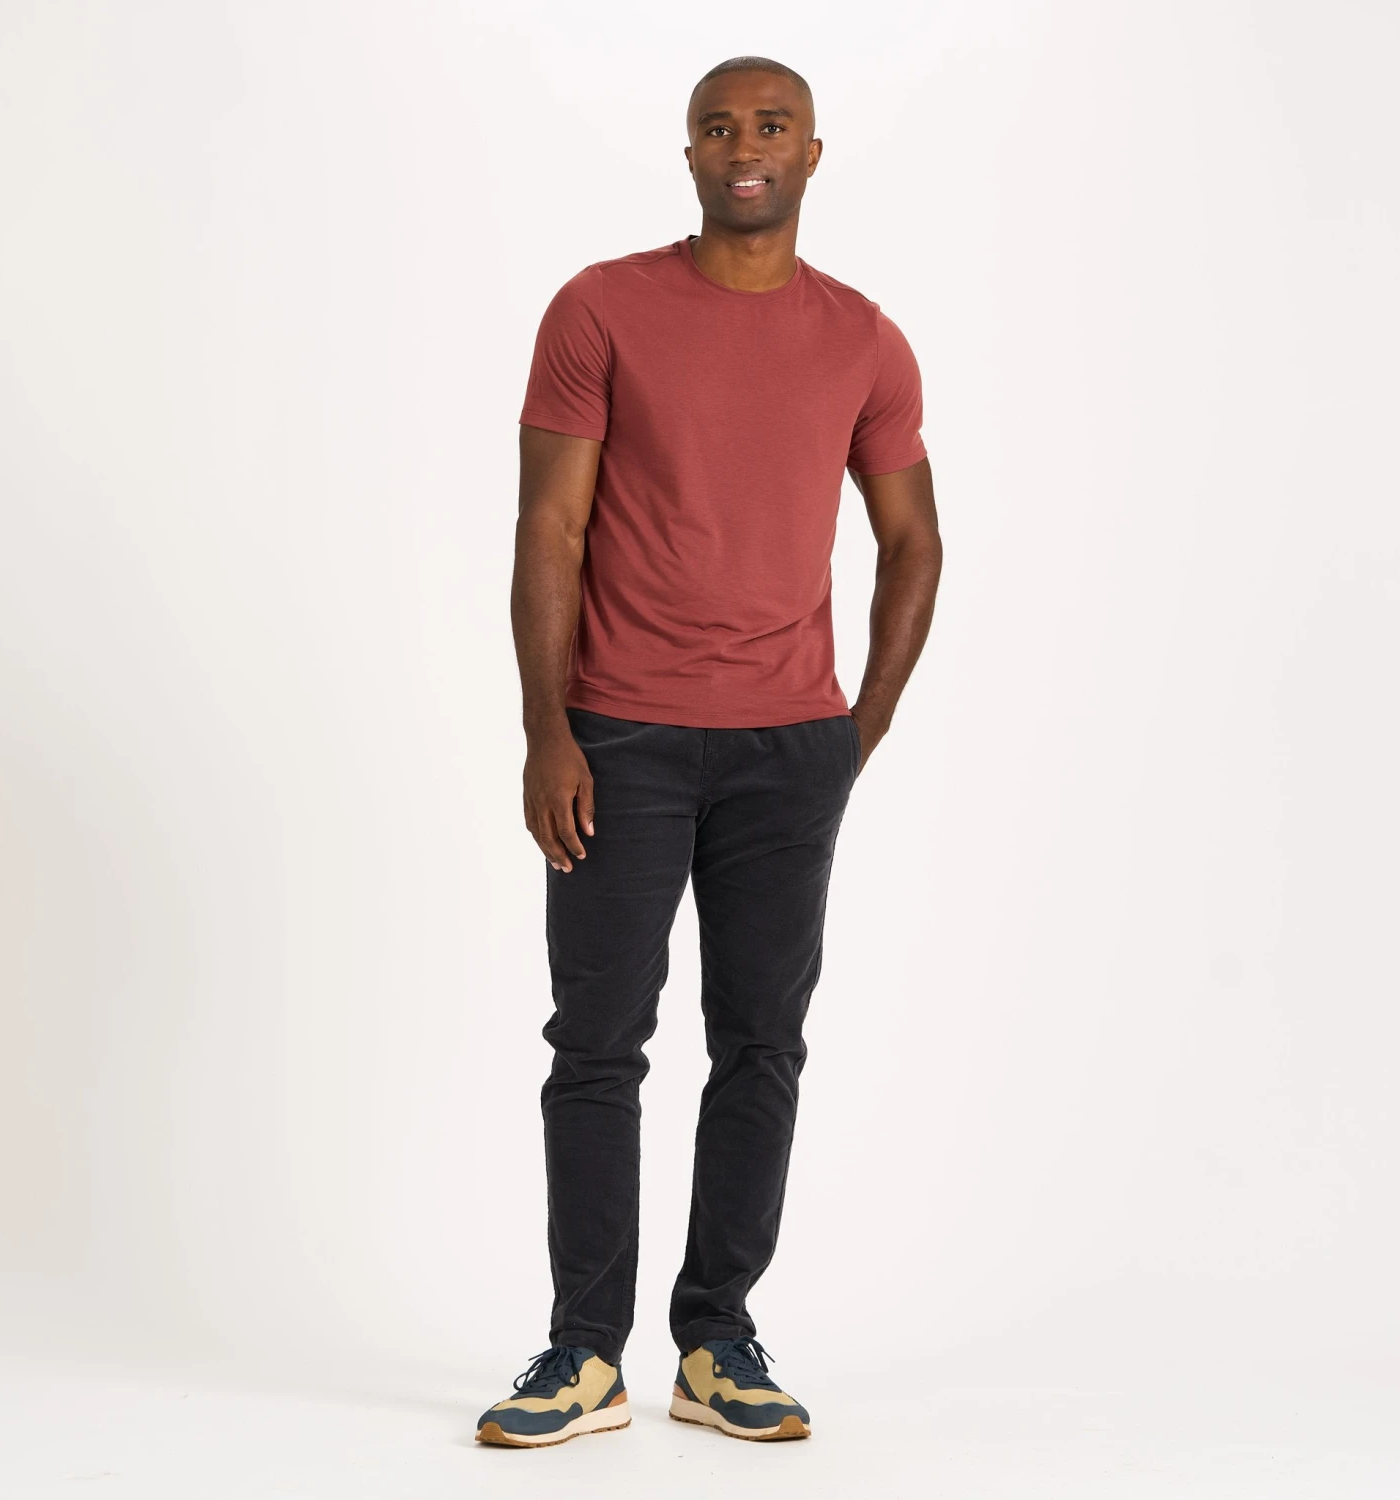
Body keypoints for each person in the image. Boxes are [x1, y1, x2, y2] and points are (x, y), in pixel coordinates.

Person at [477, 55, 941, 1448]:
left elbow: (913, 540)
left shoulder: (865, 339)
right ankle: (583, 1354)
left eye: (773, 125)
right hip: (619, 735)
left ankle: (716, 1340)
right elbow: (550, 528)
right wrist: (548, 727)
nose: (748, 145)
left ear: (813, 153)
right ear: (688, 151)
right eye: (721, 126)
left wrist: (854, 731)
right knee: (596, 1044)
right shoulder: (601, 307)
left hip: (787, 750)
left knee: (760, 1044)